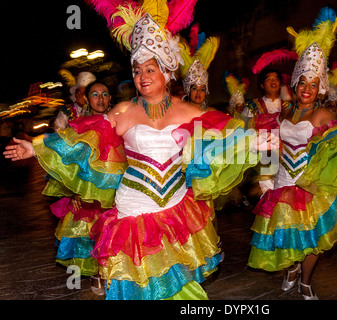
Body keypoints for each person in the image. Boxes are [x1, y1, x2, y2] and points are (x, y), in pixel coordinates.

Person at [5, 3, 271, 300]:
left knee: (179, 286)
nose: (142, 75)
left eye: (150, 68)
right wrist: (37, 146)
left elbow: (216, 139)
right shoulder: (123, 110)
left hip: (176, 207)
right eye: (137, 69)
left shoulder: (189, 112)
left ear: (167, 70)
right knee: (139, 286)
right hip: (133, 209)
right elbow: (81, 137)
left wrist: (250, 142)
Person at [248, 7, 337, 300]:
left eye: (314, 85)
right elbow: (270, 142)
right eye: (304, 83)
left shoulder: (324, 114)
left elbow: (335, 145)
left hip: (309, 183)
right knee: (288, 234)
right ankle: (291, 269)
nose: (307, 89)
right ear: (296, 84)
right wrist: (264, 173)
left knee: (313, 240)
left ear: (320, 88)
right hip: (281, 181)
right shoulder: (285, 110)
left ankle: (306, 280)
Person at [50, 81, 113, 295]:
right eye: (95, 94)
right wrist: (73, 192)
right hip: (88, 191)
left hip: (116, 191)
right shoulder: (78, 126)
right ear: (86, 99)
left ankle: (111, 275)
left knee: (113, 234)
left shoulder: (119, 123)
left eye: (105, 94)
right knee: (90, 237)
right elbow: (68, 162)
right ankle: (95, 275)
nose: (101, 99)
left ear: (110, 98)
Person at [179, 32, 220, 111]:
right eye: (194, 88)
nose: (198, 93)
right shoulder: (181, 113)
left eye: (202, 89)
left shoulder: (212, 113)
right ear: (188, 90)